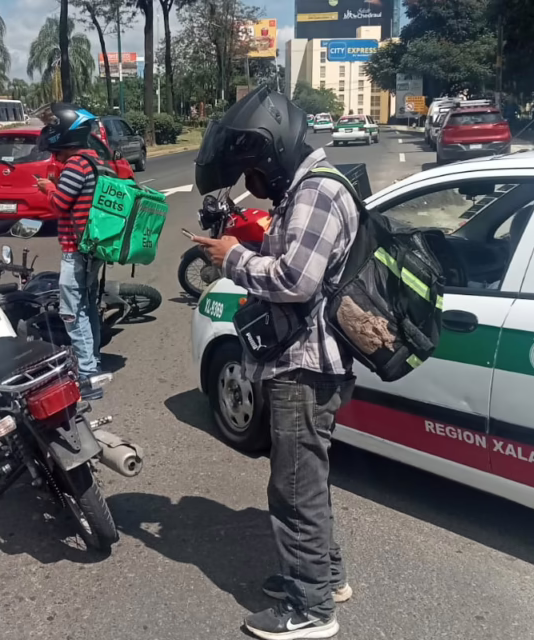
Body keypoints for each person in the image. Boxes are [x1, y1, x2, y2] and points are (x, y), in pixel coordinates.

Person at [190, 86, 360, 639]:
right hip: (304, 364)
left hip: (305, 371)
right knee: (307, 480)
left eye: (254, 173)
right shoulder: (310, 189)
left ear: (273, 151)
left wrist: (231, 259)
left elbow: (294, 280)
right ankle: (324, 578)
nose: (255, 187)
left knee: (294, 488)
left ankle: (311, 611)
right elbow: (292, 263)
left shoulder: (317, 192)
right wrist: (244, 244)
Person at [34, 102, 106, 399]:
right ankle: (94, 366)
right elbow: (77, 197)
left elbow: (60, 204)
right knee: (88, 309)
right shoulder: (93, 160)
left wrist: (47, 188)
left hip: (75, 250)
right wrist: (57, 183)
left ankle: (88, 377)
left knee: (72, 314)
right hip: (90, 248)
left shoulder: (75, 165)